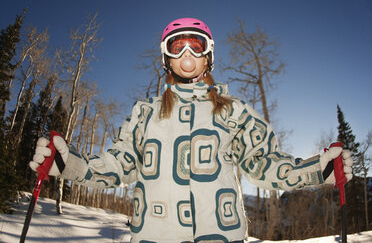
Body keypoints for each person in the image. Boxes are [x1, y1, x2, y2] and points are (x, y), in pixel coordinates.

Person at [30, 18, 353, 243]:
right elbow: (118, 166)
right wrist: (68, 163)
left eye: (195, 46)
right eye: (177, 46)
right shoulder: (145, 113)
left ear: (208, 56)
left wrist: (317, 170)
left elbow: (263, 164)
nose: (187, 55)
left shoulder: (233, 111)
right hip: (154, 237)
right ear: (166, 58)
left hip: (222, 236)